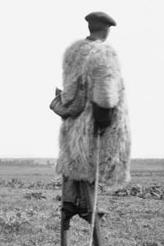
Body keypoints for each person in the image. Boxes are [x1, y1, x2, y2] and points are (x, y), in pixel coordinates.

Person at [50, 12, 131, 225]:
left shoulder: (73, 52)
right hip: (91, 120)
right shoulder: (103, 53)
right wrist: (104, 118)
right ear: (105, 29)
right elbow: (105, 90)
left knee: (72, 161)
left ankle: (69, 202)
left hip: (73, 119)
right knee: (89, 163)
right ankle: (89, 205)